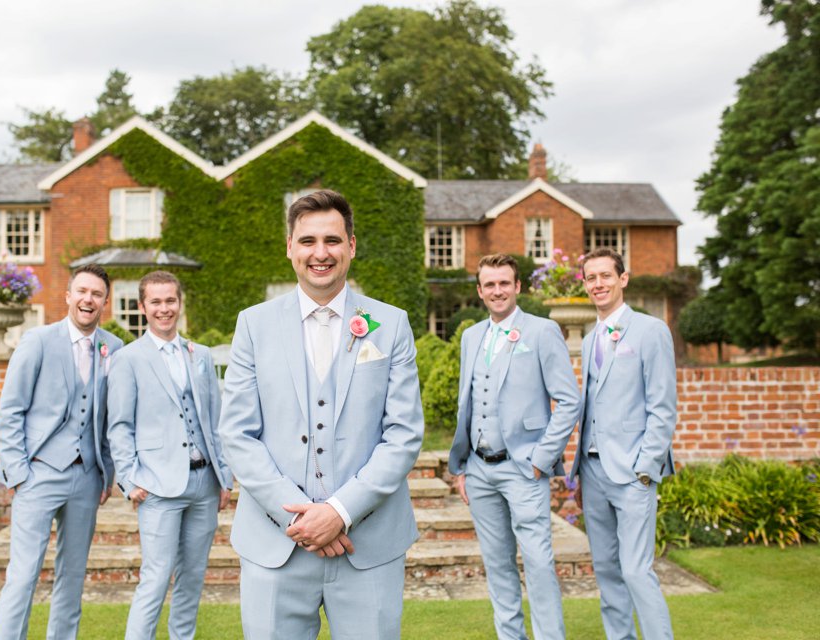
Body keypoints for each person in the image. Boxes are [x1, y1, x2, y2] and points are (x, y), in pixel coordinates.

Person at [219, 189, 424, 639]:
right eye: (308, 241)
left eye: (332, 240)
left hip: (369, 545)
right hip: (276, 545)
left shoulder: (390, 324)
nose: (320, 253)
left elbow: (404, 434)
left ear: (352, 246)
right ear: (289, 247)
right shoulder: (253, 324)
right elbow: (236, 433)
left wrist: (339, 511)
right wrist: (299, 518)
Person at [448, 253, 580, 640]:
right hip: (479, 469)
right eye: (489, 284)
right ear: (479, 291)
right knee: (497, 563)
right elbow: (468, 404)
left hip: (524, 468)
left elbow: (569, 400)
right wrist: (462, 467)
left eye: (504, 283)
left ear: (518, 286)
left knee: (538, 562)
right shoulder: (471, 336)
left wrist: (542, 458)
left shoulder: (542, 331)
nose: (497, 290)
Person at [0, 263, 123, 639]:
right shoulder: (38, 341)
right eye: (82, 291)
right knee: (23, 575)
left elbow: (112, 420)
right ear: (68, 296)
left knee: (72, 576)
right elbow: (10, 410)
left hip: (87, 479)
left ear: (105, 302)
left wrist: (107, 474)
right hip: (39, 473)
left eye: (97, 294)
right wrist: (19, 473)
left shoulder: (113, 348)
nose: (88, 299)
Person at [106, 270, 232, 640]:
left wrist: (224, 478)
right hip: (157, 485)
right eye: (156, 302)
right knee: (156, 578)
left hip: (204, 483)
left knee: (192, 578)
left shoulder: (201, 355)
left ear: (180, 303)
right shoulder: (128, 359)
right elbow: (119, 426)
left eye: (170, 301)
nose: (165, 309)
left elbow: (214, 420)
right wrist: (130, 480)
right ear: (143, 307)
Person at [570, 248, 676, 640]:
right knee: (608, 572)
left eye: (605, 276)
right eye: (591, 278)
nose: (598, 284)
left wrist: (645, 469)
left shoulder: (651, 331)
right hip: (593, 473)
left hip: (633, 474)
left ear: (623, 279)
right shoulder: (588, 337)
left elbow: (662, 408)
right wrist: (580, 473)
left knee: (635, 570)